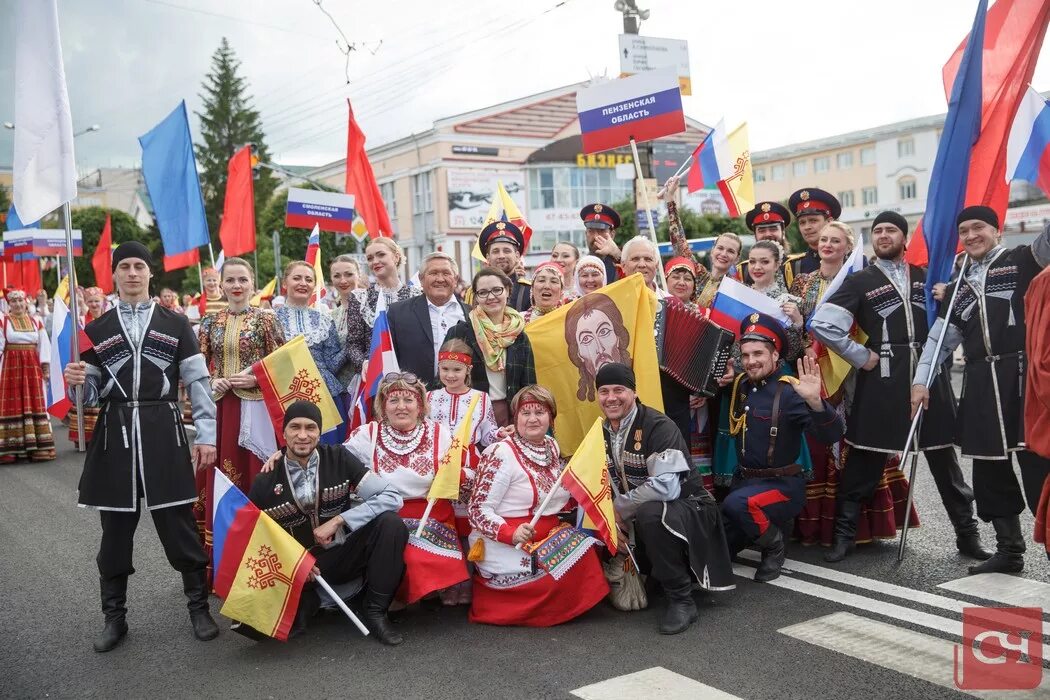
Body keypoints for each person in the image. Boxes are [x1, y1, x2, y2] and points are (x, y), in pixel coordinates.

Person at [63, 241, 219, 653]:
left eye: (139, 266)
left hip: (163, 429)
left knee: (179, 526)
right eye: (125, 267)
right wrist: (78, 381)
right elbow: (91, 397)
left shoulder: (176, 323)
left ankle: (198, 607)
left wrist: (206, 434)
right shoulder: (96, 329)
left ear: (151, 274)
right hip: (115, 434)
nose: (132, 273)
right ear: (113, 274)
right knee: (114, 534)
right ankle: (115, 618)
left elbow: (198, 383)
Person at [811, 211, 985, 562]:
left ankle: (967, 536)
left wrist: (949, 292)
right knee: (864, 460)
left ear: (904, 238)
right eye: (878, 231)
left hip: (930, 379)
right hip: (882, 381)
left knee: (944, 465)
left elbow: (964, 314)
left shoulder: (927, 276)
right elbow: (823, 324)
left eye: (891, 230)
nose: (884, 235)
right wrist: (860, 356)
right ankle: (843, 537)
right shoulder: (861, 280)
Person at [912, 208, 1050, 575]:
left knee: (1039, 468)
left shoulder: (1024, 259)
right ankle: (1009, 551)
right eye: (964, 230)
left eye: (978, 227)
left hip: (1024, 380)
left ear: (996, 230)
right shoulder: (960, 286)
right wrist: (920, 380)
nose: (971, 235)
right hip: (981, 383)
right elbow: (940, 339)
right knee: (989, 471)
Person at [249, 401, 408, 644]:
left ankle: (375, 610)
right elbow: (257, 538)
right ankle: (310, 602)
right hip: (298, 567)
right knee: (265, 631)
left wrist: (340, 519)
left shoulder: (338, 458)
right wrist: (295, 561)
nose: (303, 435)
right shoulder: (265, 480)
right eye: (295, 428)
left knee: (391, 524)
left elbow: (391, 497)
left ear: (319, 432)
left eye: (310, 428)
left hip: (341, 553)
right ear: (283, 433)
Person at [597, 363, 735, 634]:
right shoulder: (601, 432)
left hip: (690, 508)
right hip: (641, 514)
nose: (611, 397)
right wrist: (610, 522)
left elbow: (666, 488)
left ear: (634, 393)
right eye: (604, 391)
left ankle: (681, 599)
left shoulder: (658, 425)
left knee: (651, 512)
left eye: (619, 390)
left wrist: (617, 510)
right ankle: (658, 573)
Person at [467, 385, 609, 626]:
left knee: (587, 552)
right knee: (563, 572)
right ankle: (524, 610)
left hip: (547, 533)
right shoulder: (500, 452)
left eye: (540, 413)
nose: (533, 419)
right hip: (510, 538)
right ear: (515, 418)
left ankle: (560, 606)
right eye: (525, 413)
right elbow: (477, 510)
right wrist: (510, 533)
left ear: (551, 418)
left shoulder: (551, 447)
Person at [721, 314, 845, 582]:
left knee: (737, 504)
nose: (751, 361)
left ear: (775, 355)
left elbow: (832, 434)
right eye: (745, 355)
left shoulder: (791, 392)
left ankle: (775, 544)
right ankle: (761, 528)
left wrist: (815, 402)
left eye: (758, 353)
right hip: (745, 482)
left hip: (781, 486)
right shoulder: (741, 385)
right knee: (715, 547)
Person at [342, 372, 469, 604]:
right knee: (401, 556)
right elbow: (336, 461)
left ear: (420, 405)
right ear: (383, 405)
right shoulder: (367, 435)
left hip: (432, 515)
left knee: (418, 558)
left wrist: (456, 475)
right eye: (393, 400)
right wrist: (284, 455)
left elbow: (467, 468)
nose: (402, 407)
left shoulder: (440, 433)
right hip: (386, 517)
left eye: (409, 400)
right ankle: (398, 595)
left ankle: (425, 590)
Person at [194, 257, 286, 570]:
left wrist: (257, 378)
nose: (236, 286)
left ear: (252, 284)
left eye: (242, 280)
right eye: (230, 280)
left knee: (257, 474)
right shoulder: (209, 322)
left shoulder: (267, 320)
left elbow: (283, 364)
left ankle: (264, 555)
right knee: (222, 477)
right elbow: (195, 369)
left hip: (257, 408)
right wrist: (211, 381)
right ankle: (222, 562)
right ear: (220, 285)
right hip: (222, 409)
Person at [444, 268, 536, 426]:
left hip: (510, 414)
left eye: (497, 290)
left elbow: (528, 385)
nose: (491, 297)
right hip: (468, 414)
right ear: (476, 297)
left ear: (507, 291)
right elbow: (443, 377)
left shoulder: (519, 335)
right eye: (483, 292)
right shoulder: (460, 332)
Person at [275, 261, 349, 444]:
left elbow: (332, 363)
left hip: (324, 393)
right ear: (285, 283)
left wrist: (351, 343)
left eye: (308, 279)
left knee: (327, 452)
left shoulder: (324, 319)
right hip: (286, 392)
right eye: (297, 278)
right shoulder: (270, 318)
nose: (303, 283)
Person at [387, 252, 469, 387]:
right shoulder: (398, 313)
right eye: (434, 273)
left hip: (462, 399)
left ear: (455, 279)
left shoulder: (470, 313)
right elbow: (389, 360)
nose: (440, 279)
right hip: (413, 397)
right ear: (421, 279)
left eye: (446, 273)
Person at [347, 238, 421, 381]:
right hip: (374, 377)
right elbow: (353, 344)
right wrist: (364, 362)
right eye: (370, 258)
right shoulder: (360, 298)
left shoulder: (417, 295)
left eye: (381, 255)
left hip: (411, 375)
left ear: (396, 256)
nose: (375, 261)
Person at [0, 289, 55, 463]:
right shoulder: (3, 321)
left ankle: (38, 447)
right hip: (11, 368)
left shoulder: (36, 320)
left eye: (20, 301)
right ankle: (10, 449)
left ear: (26, 303)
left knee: (35, 403)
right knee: (12, 403)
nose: (17, 304)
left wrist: (45, 367)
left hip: (32, 367)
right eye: (13, 302)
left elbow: (44, 345)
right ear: (9, 305)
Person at [736, 201, 804, 287]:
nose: (768, 234)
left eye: (773, 229)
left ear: (783, 232)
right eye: (762, 230)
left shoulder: (797, 266)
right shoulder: (743, 270)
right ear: (755, 235)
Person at [475, 221, 531, 312]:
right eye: (496, 251)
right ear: (488, 258)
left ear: (517, 256)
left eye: (507, 251)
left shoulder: (529, 290)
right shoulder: (475, 290)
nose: (501, 256)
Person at [328, 255, 364, 387]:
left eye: (348, 274)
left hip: (366, 385)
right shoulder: (330, 316)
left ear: (358, 275)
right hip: (339, 388)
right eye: (337, 276)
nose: (343, 280)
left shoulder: (370, 308)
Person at [788, 188, 841, 276]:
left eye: (813, 221)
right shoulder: (793, 267)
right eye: (802, 222)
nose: (807, 227)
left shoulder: (852, 260)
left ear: (829, 222)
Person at [580, 203, 623, 284]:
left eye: (601, 231)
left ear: (612, 234)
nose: (596, 236)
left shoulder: (620, 263)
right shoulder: (579, 265)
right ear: (586, 234)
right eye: (591, 231)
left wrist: (617, 254)